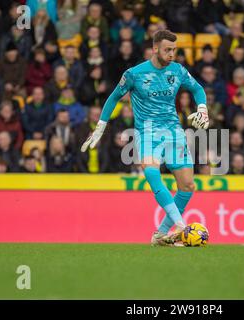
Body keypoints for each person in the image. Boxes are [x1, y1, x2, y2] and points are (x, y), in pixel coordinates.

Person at [80, 30, 209, 246]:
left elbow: (197, 89)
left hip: (174, 132)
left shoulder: (177, 71)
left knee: (187, 185)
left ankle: (160, 234)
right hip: (146, 132)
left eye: (174, 50)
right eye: (167, 50)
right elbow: (113, 98)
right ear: (155, 48)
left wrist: (203, 109)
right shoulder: (134, 74)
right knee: (151, 171)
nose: (171, 54)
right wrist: (101, 126)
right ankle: (181, 226)